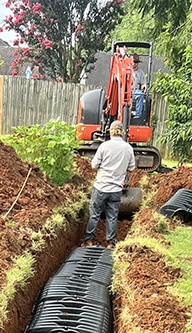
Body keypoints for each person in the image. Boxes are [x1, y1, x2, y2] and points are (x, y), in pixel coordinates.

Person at [83, 120, 136, 248]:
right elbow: (132, 168)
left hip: (101, 187)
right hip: (116, 189)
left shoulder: (104, 146)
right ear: (122, 132)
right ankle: (111, 243)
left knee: (94, 214)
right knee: (112, 217)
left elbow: (94, 165)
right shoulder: (128, 148)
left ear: (111, 131)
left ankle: (89, 240)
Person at [132, 54, 146, 120]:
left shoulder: (140, 73)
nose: (134, 64)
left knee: (140, 94)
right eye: (133, 62)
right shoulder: (125, 70)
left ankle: (138, 115)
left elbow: (143, 83)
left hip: (135, 91)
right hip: (125, 90)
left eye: (136, 62)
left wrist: (144, 87)